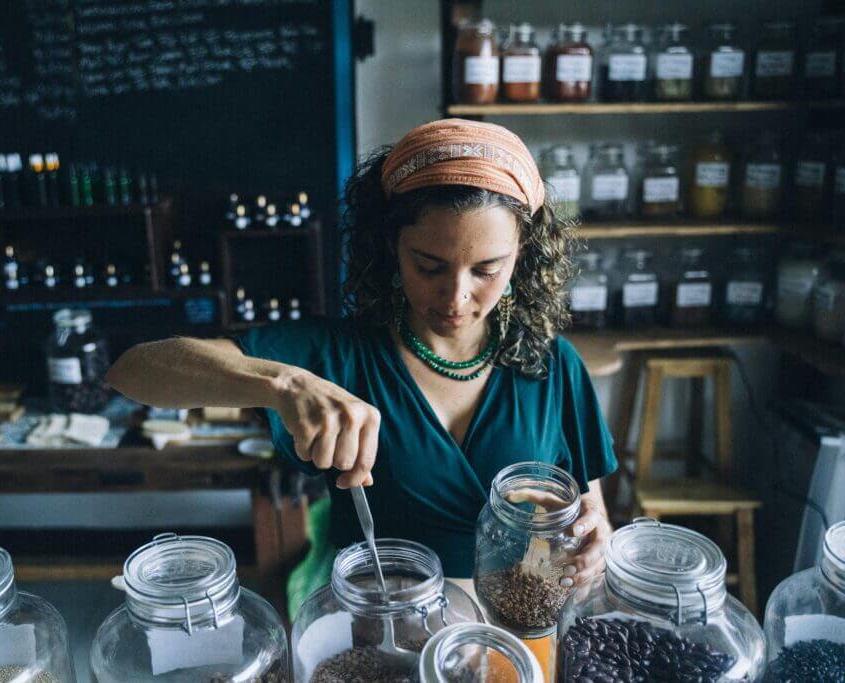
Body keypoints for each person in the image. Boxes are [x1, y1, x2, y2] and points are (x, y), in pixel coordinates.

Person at [107, 118, 617, 585]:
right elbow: (133, 369)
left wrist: (594, 543)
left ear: (521, 256)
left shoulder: (553, 365)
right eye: (429, 265)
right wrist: (284, 384)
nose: (456, 296)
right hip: (386, 628)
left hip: (514, 630)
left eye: (486, 269)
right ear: (390, 248)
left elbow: (593, 517)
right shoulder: (340, 356)